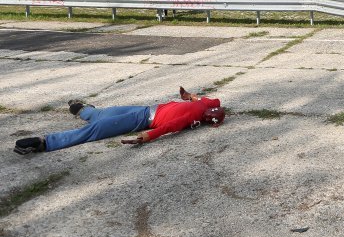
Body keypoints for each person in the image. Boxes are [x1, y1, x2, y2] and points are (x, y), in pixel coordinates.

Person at [13, 87, 224, 155]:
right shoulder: (203, 107)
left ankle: (45, 142)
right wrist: (190, 97)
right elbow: (171, 125)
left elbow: (169, 127)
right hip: (144, 111)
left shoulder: (202, 108)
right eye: (211, 119)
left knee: (97, 129)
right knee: (103, 115)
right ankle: (83, 110)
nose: (207, 120)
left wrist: (146, 136)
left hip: (142, 118)